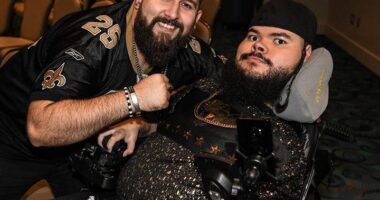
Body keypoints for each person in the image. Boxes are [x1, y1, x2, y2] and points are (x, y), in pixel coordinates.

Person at [98, 0, 332, 199]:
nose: (259, 45)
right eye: (253, 36)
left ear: (306, 54)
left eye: (279, 41)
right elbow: (168, 123)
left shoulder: (283, 142)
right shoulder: (205, 86)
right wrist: (140, 126)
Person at [0, 0, 224, 198]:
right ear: (138, 2)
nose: (173, 14)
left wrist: (147, 124)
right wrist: (133, 99)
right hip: (12, 136)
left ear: (196, 18)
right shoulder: (91, 42)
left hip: (81, 150)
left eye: (186, 4)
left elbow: (232, 86)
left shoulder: (190, 52)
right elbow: (40, 128)